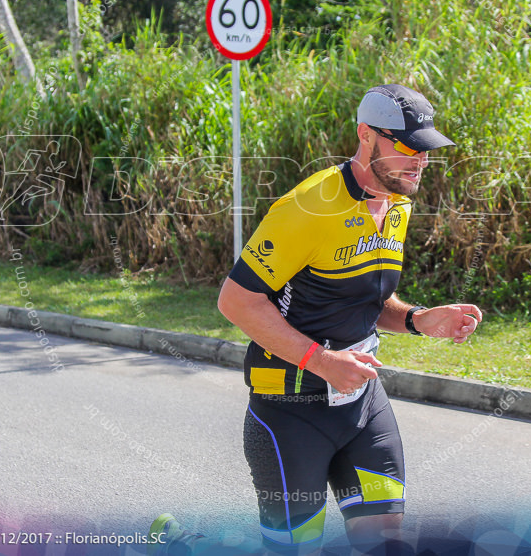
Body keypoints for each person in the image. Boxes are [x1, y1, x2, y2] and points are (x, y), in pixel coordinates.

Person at [150, 84, 483, 556]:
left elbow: (357, 295)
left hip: (361, 406)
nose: (420, 161)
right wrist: (323, 362)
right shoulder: (308, 207)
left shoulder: (397, 203)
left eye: (426, 149)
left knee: (385, 544)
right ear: (366, 137)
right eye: (409, 148)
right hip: (288, 409)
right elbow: (236, 300)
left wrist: (418, 319)